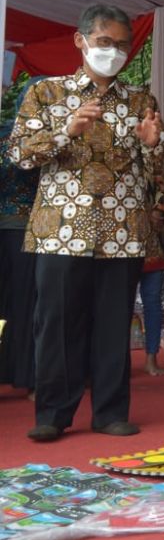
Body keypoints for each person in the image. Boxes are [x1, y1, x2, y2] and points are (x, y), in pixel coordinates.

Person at [9, 4, 164, 441]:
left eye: (121, 45)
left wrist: (153, 146)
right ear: (81, 41)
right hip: (60, 230)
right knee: (56, 324)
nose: (113, 52)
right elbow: (19, 154)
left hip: (122, 231)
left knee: (114, 325)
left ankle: (111, 412)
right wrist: (66, 131)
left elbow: (158, 168)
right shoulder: (47, 94)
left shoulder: (140, 100)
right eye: (104, 42)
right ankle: (53, 414)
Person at [0, 77, 41, 397]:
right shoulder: (38, 138)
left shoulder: (6, 135)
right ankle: (27, 376)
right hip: (27, 231)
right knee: (27, 303)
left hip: (19, 230)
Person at [138, 101, 164, 377]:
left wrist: (157, 210)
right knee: (115, 301)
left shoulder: (163, 147)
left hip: (152, 235)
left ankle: (152, 357)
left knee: (152, 298)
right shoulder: (121, 141)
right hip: (120, 234)